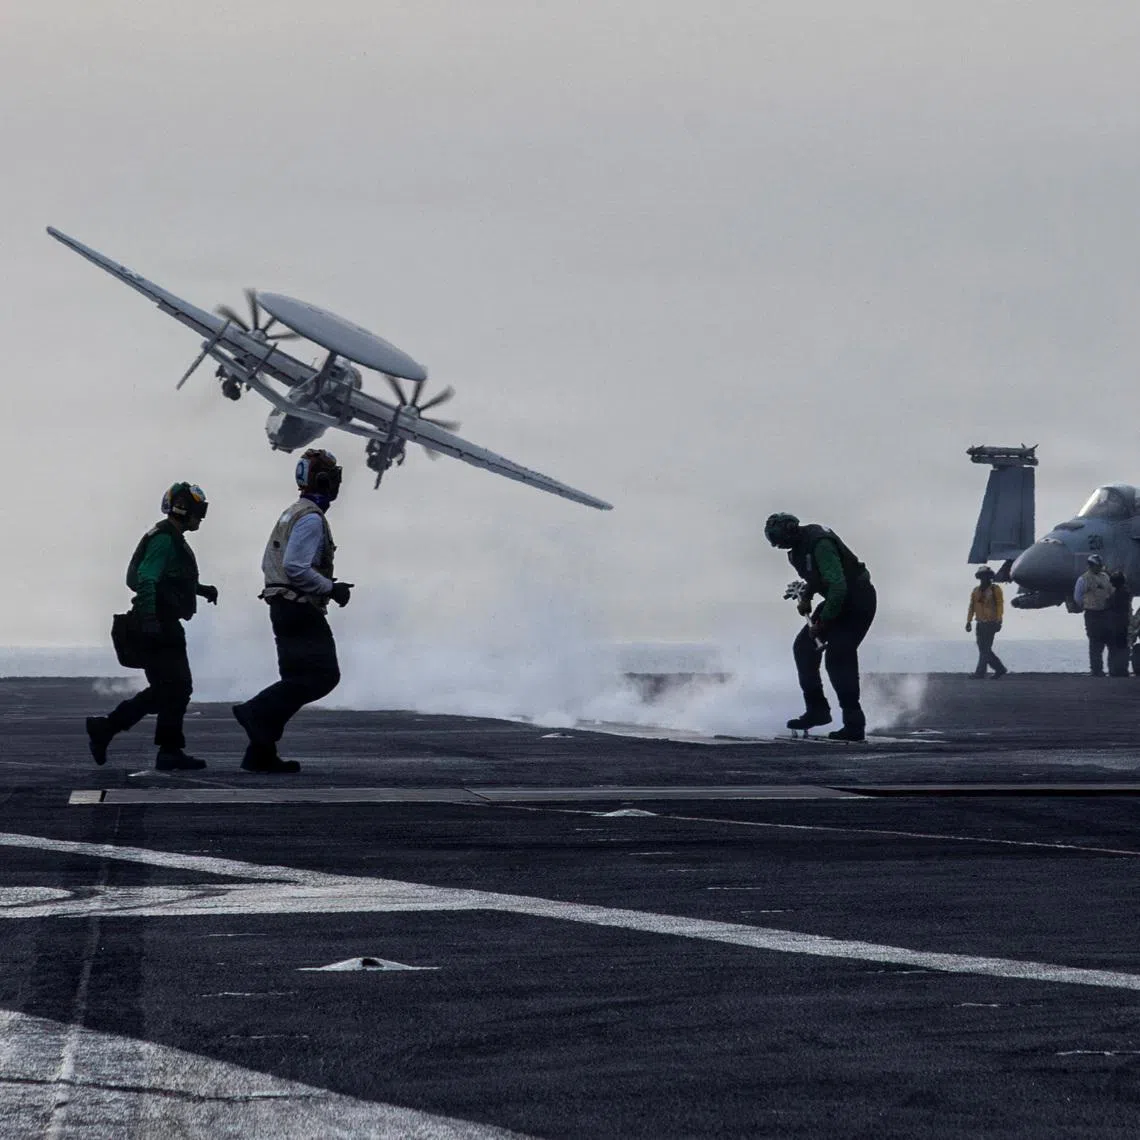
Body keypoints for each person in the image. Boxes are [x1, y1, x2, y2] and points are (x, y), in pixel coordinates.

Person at [231, 449, 351, 773]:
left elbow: (274, 563)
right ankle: (255, 712)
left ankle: (259, 753)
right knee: (324, 676)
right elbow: (296, 567)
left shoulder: (292, 512)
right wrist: (331, 588)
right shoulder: (311, 518)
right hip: (299, 608)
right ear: (324, 481)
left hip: (282, 606)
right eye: (334, 478)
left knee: (295, 678)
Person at [86, 483, 217, 770]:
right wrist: (149, 620)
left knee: (169, 689)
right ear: (184, 508)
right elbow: (146, 578)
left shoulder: (169, 537)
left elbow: (169, 578)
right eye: (199, 510)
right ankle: (162, 749)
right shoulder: (165, 539)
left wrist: (201, 590)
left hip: (161, 621)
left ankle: (109, 729)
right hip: (158, 623)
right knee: (176, 687)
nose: (202, 516)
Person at [764, 513, 877, 742]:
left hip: (857, 600)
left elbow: (837, 586)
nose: (781, 547)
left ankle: (854, 724)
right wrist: (806, 596)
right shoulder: (797, 550)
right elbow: (818, 578)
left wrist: (823, 622)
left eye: (781, 541)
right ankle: (817, 710)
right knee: (804, 649)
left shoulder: (820, 543)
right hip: (838, 601)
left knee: (838, 656)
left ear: (790, 531)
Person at [1075, 554, 1114, 676]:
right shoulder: (1083, 579)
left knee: (1106, 641)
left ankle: (1105, 669)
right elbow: (1078, 597)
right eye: (1098, 565)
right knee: (1095, 643)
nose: (1100, 567)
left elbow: (1111, 591)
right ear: (1091, 566)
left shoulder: (1105, 577)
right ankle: (1096, 670)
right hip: (1092, 614)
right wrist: (1087, 606)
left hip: (1105, 613)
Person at [965, 567, 1007, 678]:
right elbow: (972, 607)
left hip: (991, 623)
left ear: (990, 577)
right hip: (980, 623)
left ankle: (980, 673)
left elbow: (1000, 605)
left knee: (985, 648)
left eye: (986, 576)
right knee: (983, 648)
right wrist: (968, 621)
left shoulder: (995, 589)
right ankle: (1000, 669)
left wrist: (998, 620)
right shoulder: (975, 591)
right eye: (982, 576)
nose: (984, 578)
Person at [1106, 570, 1132, 678]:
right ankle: (1123, 670)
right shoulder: (1126, 593)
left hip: (1114, 623)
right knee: (1123, 647)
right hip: (1123, 622)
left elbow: (1109, 604)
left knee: (1113, 648)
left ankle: (1114, 670)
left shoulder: (1115, 595)